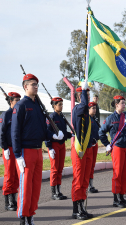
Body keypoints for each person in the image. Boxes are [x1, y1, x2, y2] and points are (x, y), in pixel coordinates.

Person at [11, 74, 63, 225]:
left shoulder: (38, 106)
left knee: (35, 187)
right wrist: (17, 155)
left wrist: (54, 135)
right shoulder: (21, 106)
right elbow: (15, 132)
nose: (36, 87)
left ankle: (30, 214)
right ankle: (23, 217)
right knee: (26, 188)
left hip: (37, 151)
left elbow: (43, 129)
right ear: (25, 86)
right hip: (25, 151)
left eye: (37, 84)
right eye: (33, 84)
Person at [99, 95, 126, 208]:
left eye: (125, 103)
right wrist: (107, 145)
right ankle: (116, 198)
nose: (124, 105)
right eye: (122, 103)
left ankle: (122, 196)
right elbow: (101, 132)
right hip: (118, 147)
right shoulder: (110, 119)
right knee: (118, 173)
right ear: (116, 104)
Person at [71, 84, 93, 220]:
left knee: (85, 179)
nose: (88, 96)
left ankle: (81, 206)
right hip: (80, 149)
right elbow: (84, 105)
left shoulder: (84, 109)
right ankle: (76, 208)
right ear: (80, 96)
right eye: (86, 94)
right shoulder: (78, 108)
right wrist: (83, 90)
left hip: (88, 148)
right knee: (78, 179)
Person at [0, 92, 21, 211]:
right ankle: (7, 201)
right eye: (16, 100)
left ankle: (13, 198)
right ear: (10, 101)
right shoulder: (6, 114)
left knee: (16, 175)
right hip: (9, 148)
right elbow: (0, 133)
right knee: (9, 175)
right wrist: (5, 148)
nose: (18, 102)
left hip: (17, 148)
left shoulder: (19, 114)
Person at [45, 97, 72, 200]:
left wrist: (70, 135)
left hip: (62, 145)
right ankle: (53, 193)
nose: (61, 106)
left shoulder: (62, 117)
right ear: (54, 105)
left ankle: (59, 190)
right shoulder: (51, 117)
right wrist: (49, 147)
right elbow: (47, 132)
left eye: (62, 104)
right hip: (54, 145)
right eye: (59, 104)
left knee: (60, 168)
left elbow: (63, 132)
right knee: (55, 169)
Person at [88, 101, 100, 193]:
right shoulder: (87, 119)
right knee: (88, 165)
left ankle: (91, 185)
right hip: (89, 145)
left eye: (95, 108)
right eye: (92, 108)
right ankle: (88, 185)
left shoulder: (95, 119)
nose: (94, 110)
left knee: (92, 165)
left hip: (95, 144)